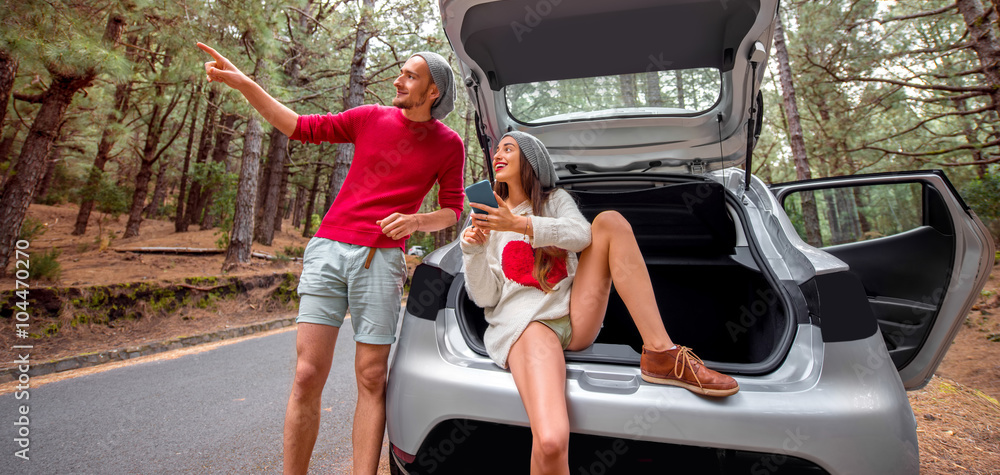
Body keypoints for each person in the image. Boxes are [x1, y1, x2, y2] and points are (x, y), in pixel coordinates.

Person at [197, 42, 465, 475]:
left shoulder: (449, 145)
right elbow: (300, 126)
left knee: (372, 376)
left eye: (410, 76)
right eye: (400, 73)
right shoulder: (370, 118)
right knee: (305, 375)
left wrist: (417, 222)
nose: (397, 80)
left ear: (433, 91)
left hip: (379, 262)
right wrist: (246, 83)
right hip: (328, 249)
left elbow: (453, 209)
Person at [461, 131, 738, 475]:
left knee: (610, 221)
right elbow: (485, 297)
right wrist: (472, 251)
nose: (498, 154)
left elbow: (581, 235)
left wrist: (521, 223)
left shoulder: (555, 200)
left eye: (509, 148)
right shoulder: (486, 218)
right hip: (528, 326)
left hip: (574, 316)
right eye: (497, 149)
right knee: (549, 442)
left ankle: (661, 352)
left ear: (531, 161)